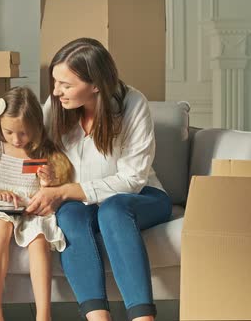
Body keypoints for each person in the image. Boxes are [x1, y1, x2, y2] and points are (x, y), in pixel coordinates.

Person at [26, 38, 172, 321]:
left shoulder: (133, 103)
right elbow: (31, 152)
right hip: (80, 204)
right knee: (68, 214)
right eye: (54, 82)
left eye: (66, 85)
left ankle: (143, 318)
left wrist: (68, 189)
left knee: (113, 209)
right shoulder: (55, 103)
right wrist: (45, 176)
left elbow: (133, 178)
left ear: (95, 84)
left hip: (142, 197)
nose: (56, 92)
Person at [0, 86, 70, 321]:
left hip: (33, 209)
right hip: (3, 207)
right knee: (1, 228)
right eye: (9, 132)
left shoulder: (43, 149)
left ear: (36, 126)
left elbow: (51, 192)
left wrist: (47, 182)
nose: (16, 139)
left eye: (23, 133)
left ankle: (44, 314)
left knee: (40, 240)